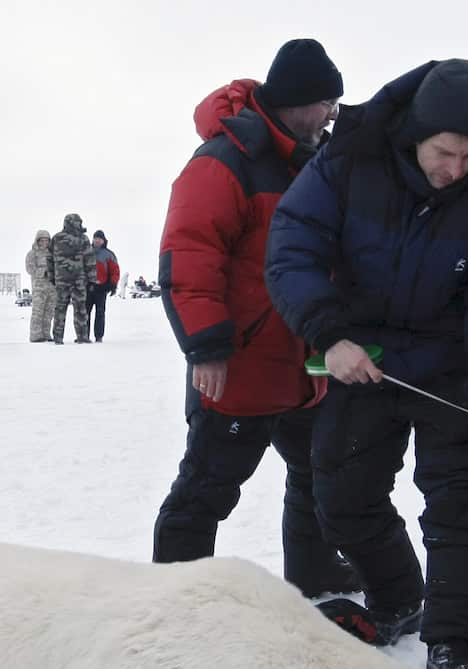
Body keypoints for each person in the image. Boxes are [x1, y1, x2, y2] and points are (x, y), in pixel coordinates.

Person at [265, 59, 468, 669]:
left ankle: (456, 647)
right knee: (339, 492)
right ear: (416, 133)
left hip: (457, 362)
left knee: (461, 509)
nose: (456, 169)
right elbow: (293, 248)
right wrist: (329, 335)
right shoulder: (349, 159)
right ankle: (397, 598)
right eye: (446, 151)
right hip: (367, 357)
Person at [153, 38, 358, 599]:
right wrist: (206, 347)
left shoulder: (315, 161)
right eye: (327, 102)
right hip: (239, 363)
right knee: (208, 488)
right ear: (299, 101)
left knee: (317, 476)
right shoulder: (224, 160)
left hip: (305, 363)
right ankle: (175, 595)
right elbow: (189, 257)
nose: (334, 114)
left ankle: (313, 572)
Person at [50, 213, 97, 344]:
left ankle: (58, 337)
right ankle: (82, 337)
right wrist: (92, 279)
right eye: (78, 222)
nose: (80, 224)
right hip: (78, 280)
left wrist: (52, 277)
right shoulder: (83, 239)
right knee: (80, 309)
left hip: (62, 280)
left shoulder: (56, 238)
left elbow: (49, 259)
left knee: (60, 308)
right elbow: (90, 260)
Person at [88, 230, 121, 342]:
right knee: (84, 312)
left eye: (99, 238)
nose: (97, 240)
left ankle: (99, 336)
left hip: (101, 288)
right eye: (95, 238)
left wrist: (112, 285)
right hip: (87, 287)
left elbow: (115, 271)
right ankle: (83, 336)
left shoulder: (109, 254)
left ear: (103, 240)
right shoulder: (86, 252)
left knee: (100, 312)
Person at [25, 229, 56, 341]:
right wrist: (44, 272)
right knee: (38, 312)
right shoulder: (32, 254)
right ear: (37, 240)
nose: (44, 242)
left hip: (52, 288)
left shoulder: (52, 254)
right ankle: (35, 335)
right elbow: (30, 269)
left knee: (49, 313)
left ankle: (46, 334)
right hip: (39, 288)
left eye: (47, 240)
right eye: (42, 240)